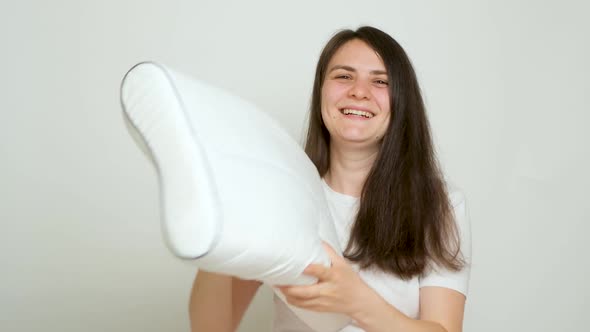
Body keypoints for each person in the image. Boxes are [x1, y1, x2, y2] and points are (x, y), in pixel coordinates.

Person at [189, 26, 471, 332]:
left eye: (380, 81)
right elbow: (210, 327)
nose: (359, 91)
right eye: (344, 76)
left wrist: (356, 301)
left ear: (401, 101)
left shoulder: (439, 205)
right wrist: (220, 227)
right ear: (321, 90)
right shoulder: (279, 198)